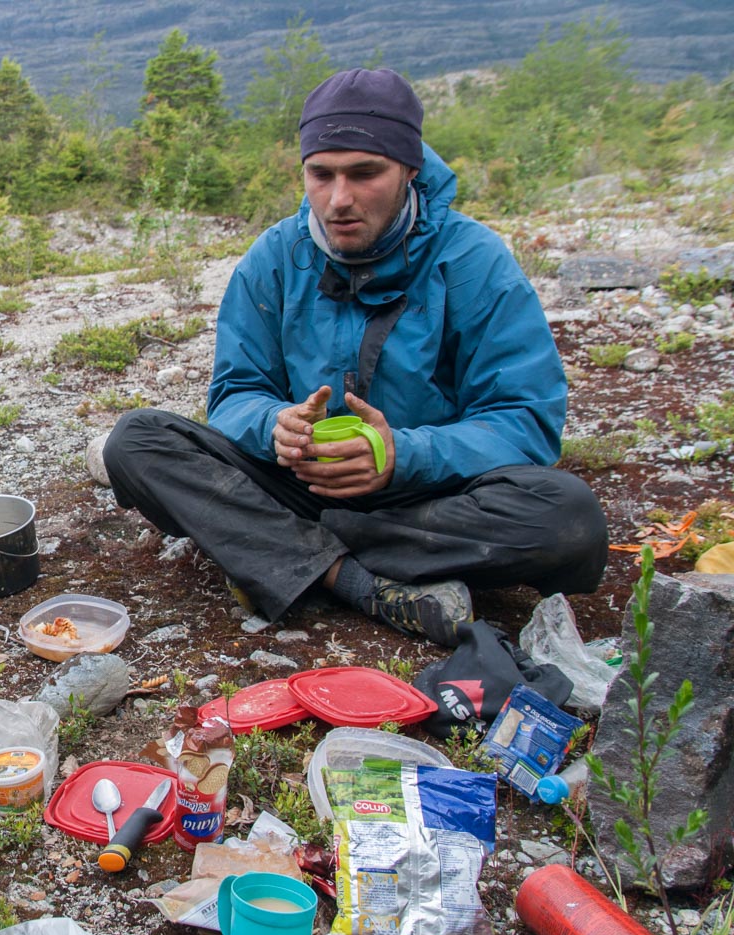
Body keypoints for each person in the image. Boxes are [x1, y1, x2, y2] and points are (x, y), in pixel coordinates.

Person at [103, 67, 607, 646]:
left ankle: (282, 546)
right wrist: (274, 427)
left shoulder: (473, 260)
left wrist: (402, 454)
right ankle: (356, 581)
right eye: (321, 174)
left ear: (409, 170)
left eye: (365, 173)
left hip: (432, 491)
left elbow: (525, 419)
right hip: (302, 480)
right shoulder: (275, 257)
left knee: (568, 516)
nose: (339, 199)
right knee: (137, 441)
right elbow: (236, 393)